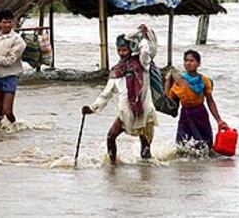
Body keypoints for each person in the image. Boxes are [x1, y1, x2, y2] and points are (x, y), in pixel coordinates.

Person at [82, 25, 158, 164]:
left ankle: (147, 174)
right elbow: (106, 93)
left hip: (144, 110)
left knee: (145, 145)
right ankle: (113, 166)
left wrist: (142, 33)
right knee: (111, 136)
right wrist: (92, 108)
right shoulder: (116, 71)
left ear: (131, 49)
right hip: (126, 111)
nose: (122, 53)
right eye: (119, 50)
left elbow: (147, 49)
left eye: (124, 50)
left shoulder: (142, 63)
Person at [165, 49, 229, 150]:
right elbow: (169, 100)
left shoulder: (204, 80)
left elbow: (210, 101)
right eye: (186, 60)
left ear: (198, 63)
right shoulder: (179, 81)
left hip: (200, 114)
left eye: (191, 60)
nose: (188, 63)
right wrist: (168, 81)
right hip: (186, 116)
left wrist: (219, 121)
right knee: (182, 146)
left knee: (206, 146)